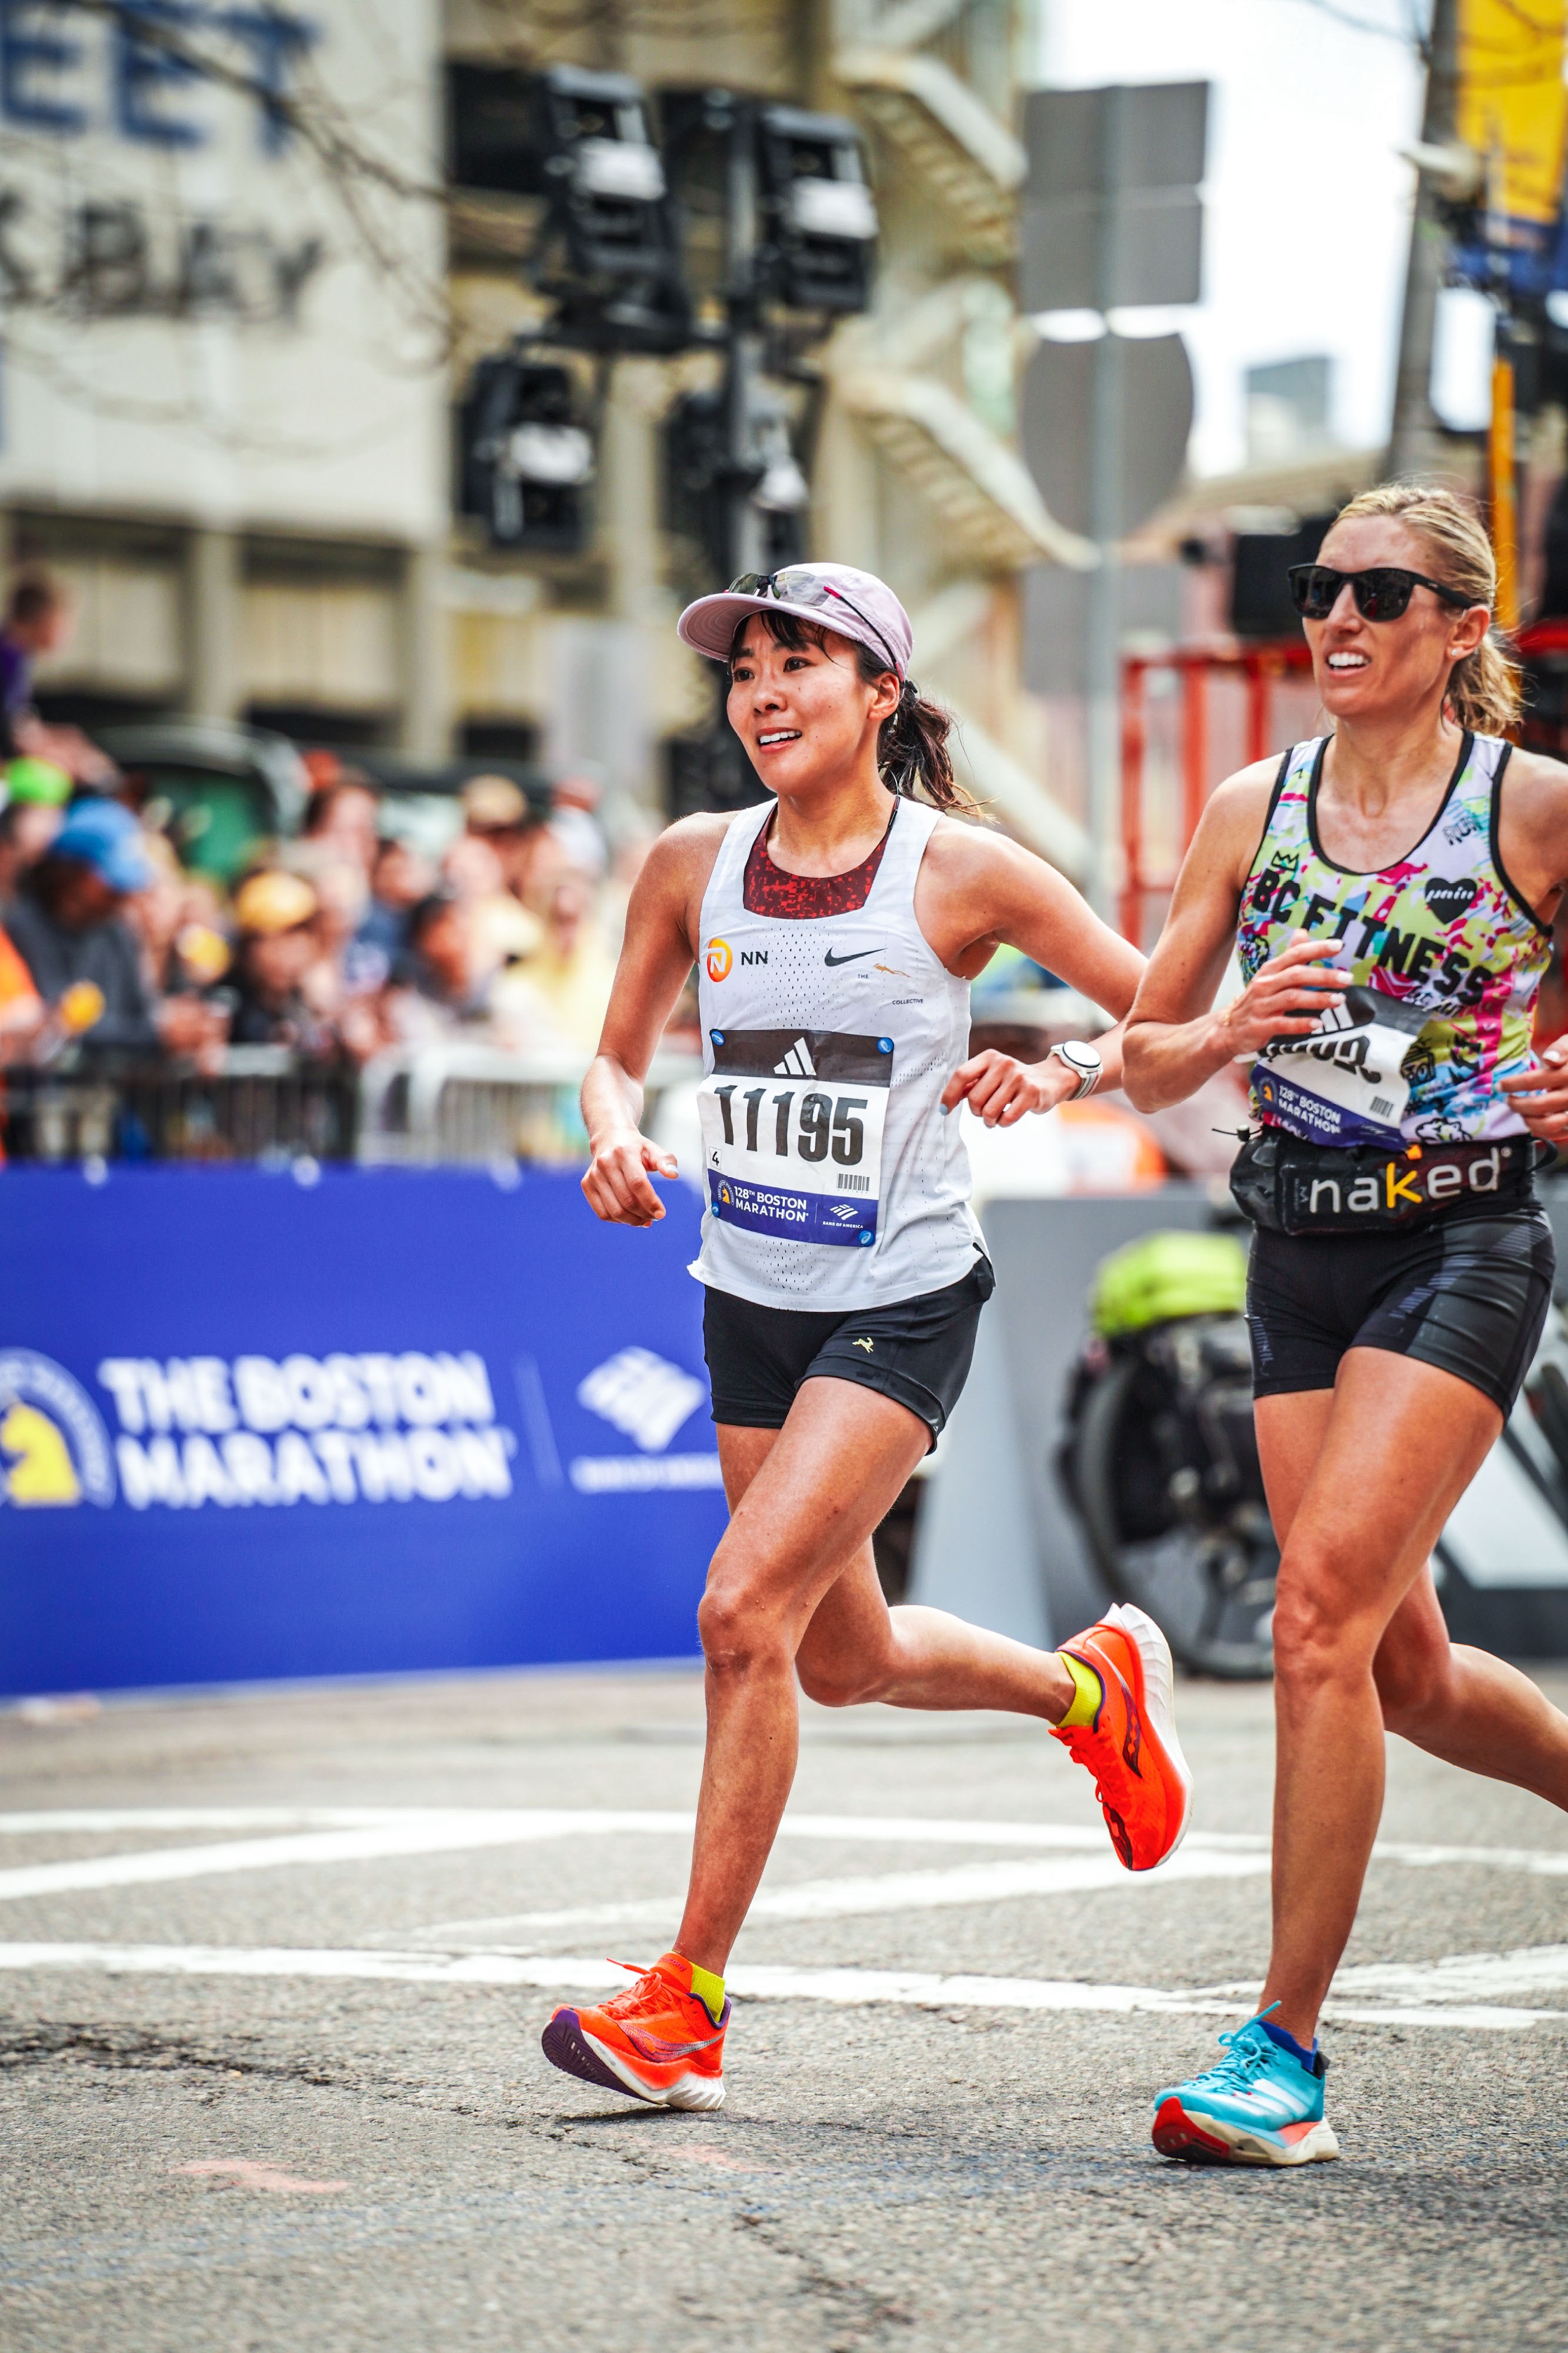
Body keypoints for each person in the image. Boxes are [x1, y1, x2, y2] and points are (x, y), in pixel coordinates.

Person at [541, 561, 1193, 2112]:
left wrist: (1065, 1070)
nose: (763, 693)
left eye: (800, 663)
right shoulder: (692, 860)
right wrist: (612, 1133)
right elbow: (613, 1058)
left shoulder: (963, 871)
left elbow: (1169, 1014)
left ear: (880, 692)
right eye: (744, 669)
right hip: (748, 1298)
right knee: (842, 1656)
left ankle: (686, 2004)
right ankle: (1090, 1692)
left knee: (739, 1611)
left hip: (899, 1300)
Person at [1121, 482, 1568, 2167]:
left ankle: (1282, 2052)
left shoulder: (1532, 807)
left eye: (1380, 593)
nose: (1337, 618)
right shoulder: (1252, 805)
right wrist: (1226, 1025)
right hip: (1293, 1247)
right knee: (1403, 1666)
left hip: (1460, 1237)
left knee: (1312, 1613)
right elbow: (1144, 1052)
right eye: (1321, 587)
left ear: (1461, 628)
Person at [6, 799, 217, 1061]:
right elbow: (53, 1026)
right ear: (71, 872)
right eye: (112, 883)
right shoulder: (21, 926)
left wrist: (179, 1029)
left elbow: (142, 1013)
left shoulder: (117, 931)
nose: (122, 894)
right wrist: (154, 1035)